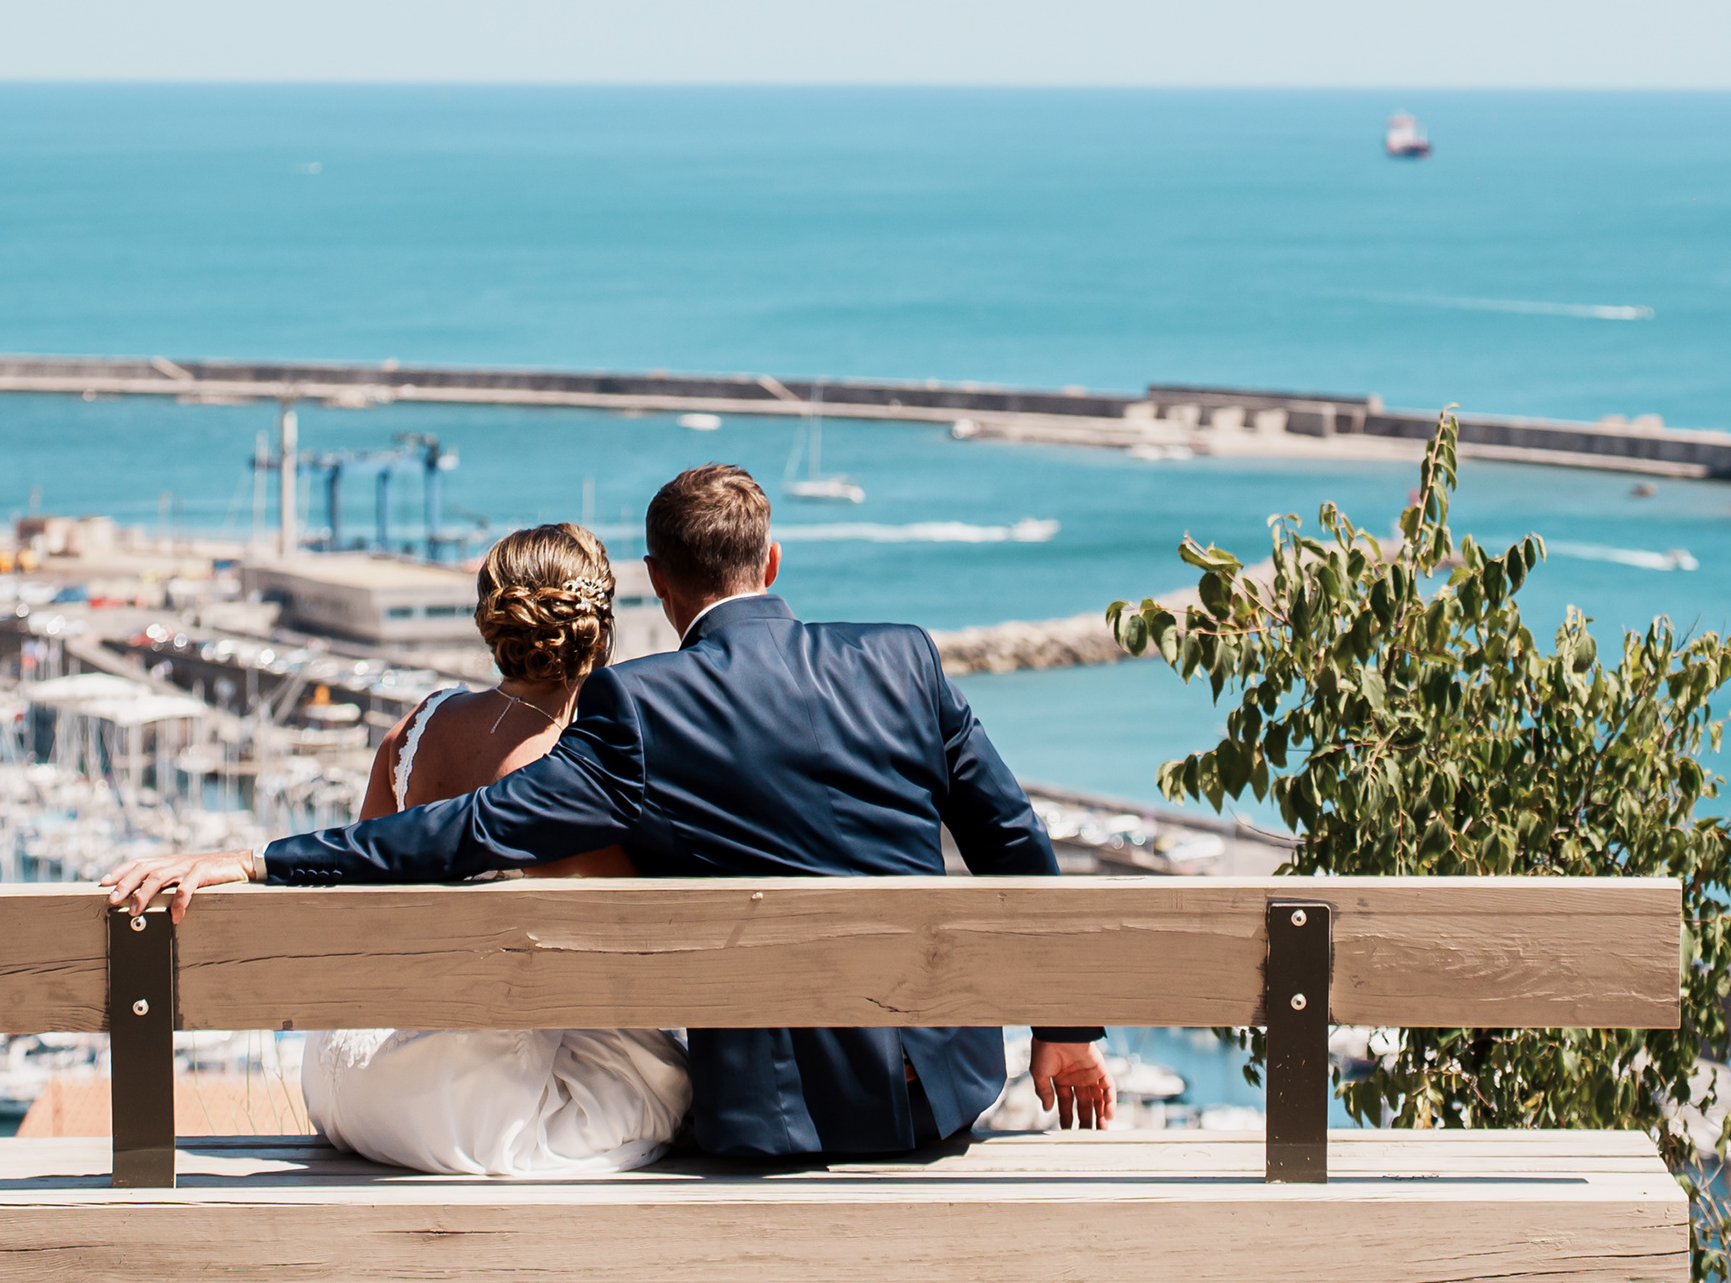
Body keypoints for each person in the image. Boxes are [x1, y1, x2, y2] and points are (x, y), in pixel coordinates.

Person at [105, 465, 1115, 1162]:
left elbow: (471, 829)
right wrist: (1063, 1028)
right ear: (771, 563)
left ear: (660, 585)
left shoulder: (643, 706)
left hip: (780, 1127)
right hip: (940, 1092)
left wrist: (258, 860)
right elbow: (1011, 833)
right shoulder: (905, 657)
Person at [292, 522, 692, 1176]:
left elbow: (360, 896)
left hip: (351, 1081)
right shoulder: (577, 778)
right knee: (668, 1080)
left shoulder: (414, 729)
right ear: (601, 624)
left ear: (492, 621)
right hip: (477, 1113)